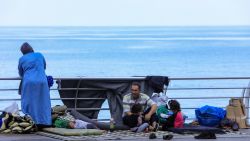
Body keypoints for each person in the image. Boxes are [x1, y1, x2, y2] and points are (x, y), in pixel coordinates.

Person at [18, 42, 51, 128]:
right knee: (43, 101)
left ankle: (31, 122)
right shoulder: (39, 55)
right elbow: (44, 66)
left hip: (29, 82)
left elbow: (21, 73)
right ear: (32, 49)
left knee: (29, 102)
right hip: (42, 81)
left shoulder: (22, 59)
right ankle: (45, 122)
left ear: (22, 52)